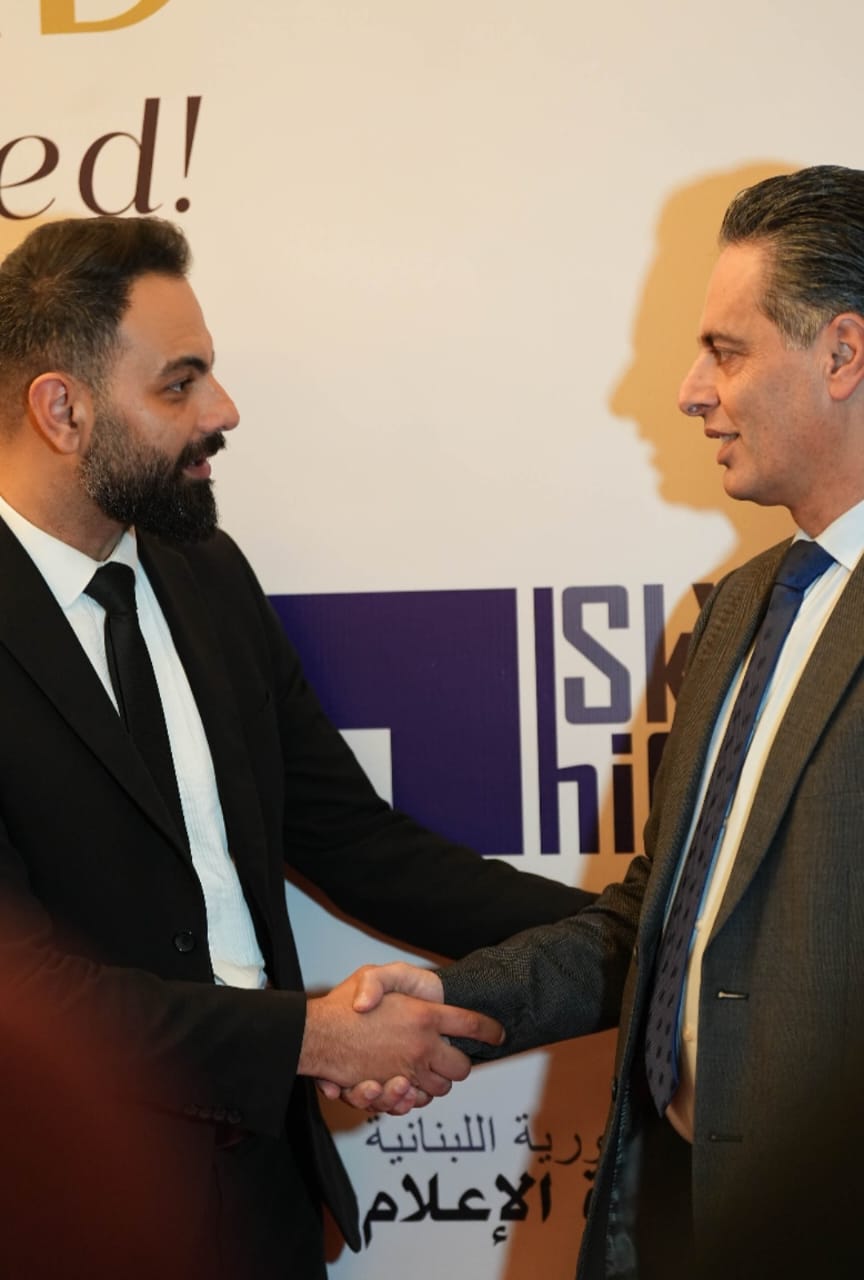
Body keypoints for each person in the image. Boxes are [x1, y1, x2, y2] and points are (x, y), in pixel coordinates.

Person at [0, 214, 594, 1279]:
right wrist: (310, 1038)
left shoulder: (205, 574)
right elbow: (23, 991)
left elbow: (360, 844)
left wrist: (647, 938)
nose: (223, 411)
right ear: (62, 409)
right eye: (180, 385)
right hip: (62, 1210)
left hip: (266, 1199)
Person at [354, 164, 864, 1278]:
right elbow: (659, 920)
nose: (689, 391)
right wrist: (448, 1000)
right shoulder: (744, 606)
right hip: (670, 1207)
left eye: (726, 350)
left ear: (842, 354)